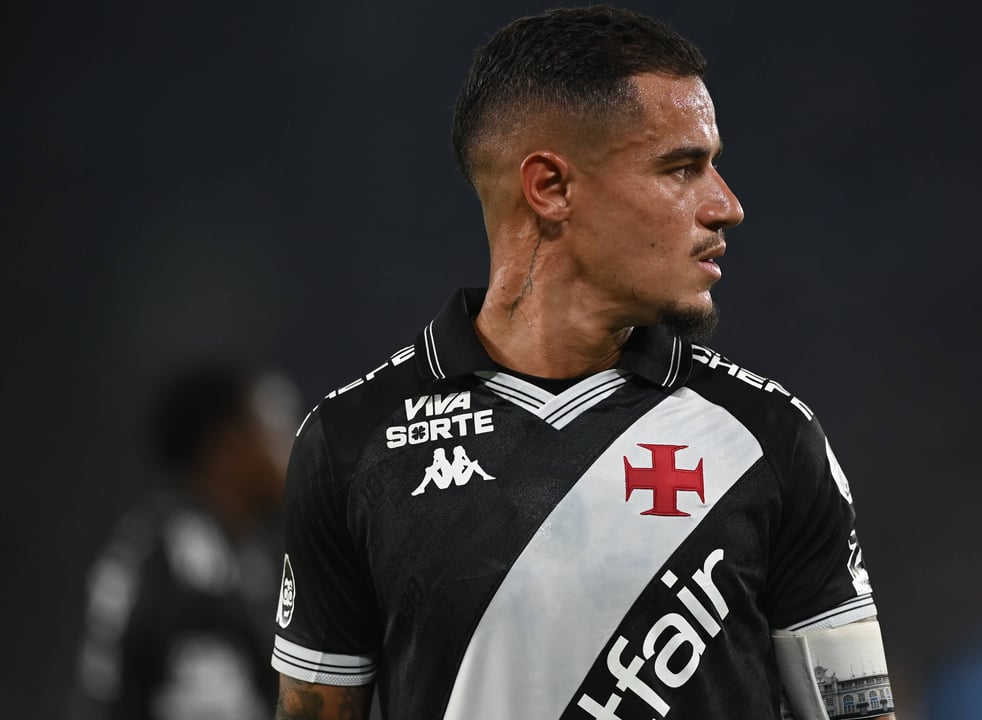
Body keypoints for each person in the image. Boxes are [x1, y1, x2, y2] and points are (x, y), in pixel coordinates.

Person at [271, 6, 896, 719]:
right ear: (551, 188)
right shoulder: (351, 443)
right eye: (682, 168)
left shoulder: (771, 437)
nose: (726, 206)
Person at [73, 363, 300, 720]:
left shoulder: (179, 539)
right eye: (276, 430)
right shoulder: (197, 562)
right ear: (228, 446)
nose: (294, 448)